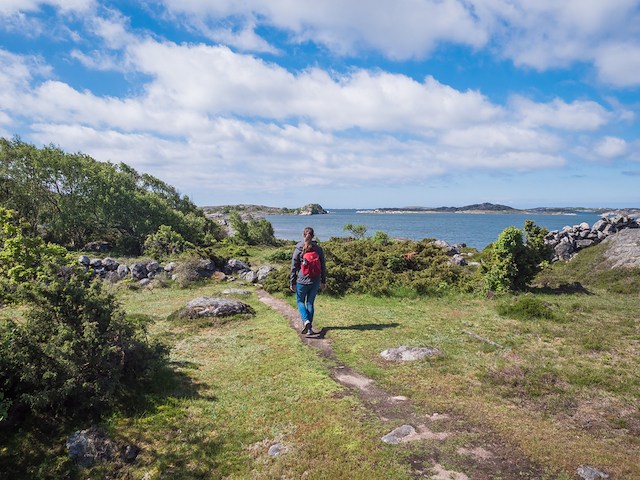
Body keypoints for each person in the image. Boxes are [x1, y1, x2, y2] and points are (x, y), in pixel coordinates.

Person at [290, 227, 326, 335]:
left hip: (302, 280)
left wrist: (292, 282)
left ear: (303, 235)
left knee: (300, 301)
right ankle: (309, 329)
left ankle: (306, 321)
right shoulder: (318, 249)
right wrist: (323, 281)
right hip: (315, 281)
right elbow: (323, 266)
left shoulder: (298, 248)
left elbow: (293, 266)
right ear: (313, 236)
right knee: (310, 303)